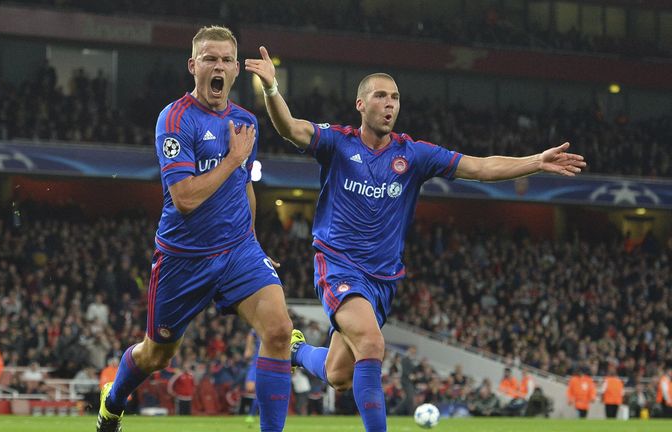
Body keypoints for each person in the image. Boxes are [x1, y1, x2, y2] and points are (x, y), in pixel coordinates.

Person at [245, 46, 586, 431]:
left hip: (382, 279)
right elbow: (291, 128)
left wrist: (536, 162)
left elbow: (480, 167)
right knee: (372, 344)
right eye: (380, 96)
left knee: (338, 374)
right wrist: (273, 89)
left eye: (395, 98)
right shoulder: (338, 143)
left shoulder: (415, 155)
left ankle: (296, 350)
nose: (390, 104)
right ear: (360, 104)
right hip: (338, 264)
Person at [97, 26, 293, 432]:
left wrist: (254, 241)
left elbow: (246, 188)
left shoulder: (245, 121)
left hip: (238, 250)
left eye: (225, 60)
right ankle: (113, 401)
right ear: (193, 66)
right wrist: (231, 158)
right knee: (156, 356)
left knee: (279, 330)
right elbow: (185, 197)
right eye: (209, 59)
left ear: (237, 70)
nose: (217, 66)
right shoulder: (174, 118)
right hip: (183, 258)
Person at [242, 329, 260, 425]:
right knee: (249, 387)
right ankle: (252, 414)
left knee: (260, 391)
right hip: (256, 362)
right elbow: (251, 333)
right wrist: (248, 348)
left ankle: (251, 415)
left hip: (268, 363)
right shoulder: (259, 325)